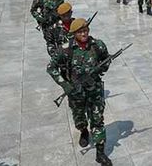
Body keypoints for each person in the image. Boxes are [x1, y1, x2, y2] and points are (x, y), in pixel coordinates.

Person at [46, 18, 112, 166]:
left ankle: (100, 154)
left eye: (86, 30)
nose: (84, 33)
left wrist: (101, 68)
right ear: (74, 33)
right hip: (76, 94)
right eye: (80, 31)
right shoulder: (66, 49)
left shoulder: (97, 45)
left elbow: (107, 59)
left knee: (98, 120)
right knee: (80, 118)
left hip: (94, 91)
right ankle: (83, 131)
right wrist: (65, 85)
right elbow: (51, 67)